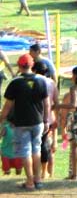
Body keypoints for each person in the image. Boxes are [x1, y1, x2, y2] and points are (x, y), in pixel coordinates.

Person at [0, 54, 49, 190]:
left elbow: (8, 106)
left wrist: (2, 119)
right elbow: (46, 103)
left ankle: (30, 181)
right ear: (31, 65)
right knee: (36, 150)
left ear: (20, 66)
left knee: (26, 151)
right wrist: (46, 120)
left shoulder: (15, 83)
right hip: (38, 121)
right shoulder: (41, 81)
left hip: (21, 123)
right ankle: (38, 179)